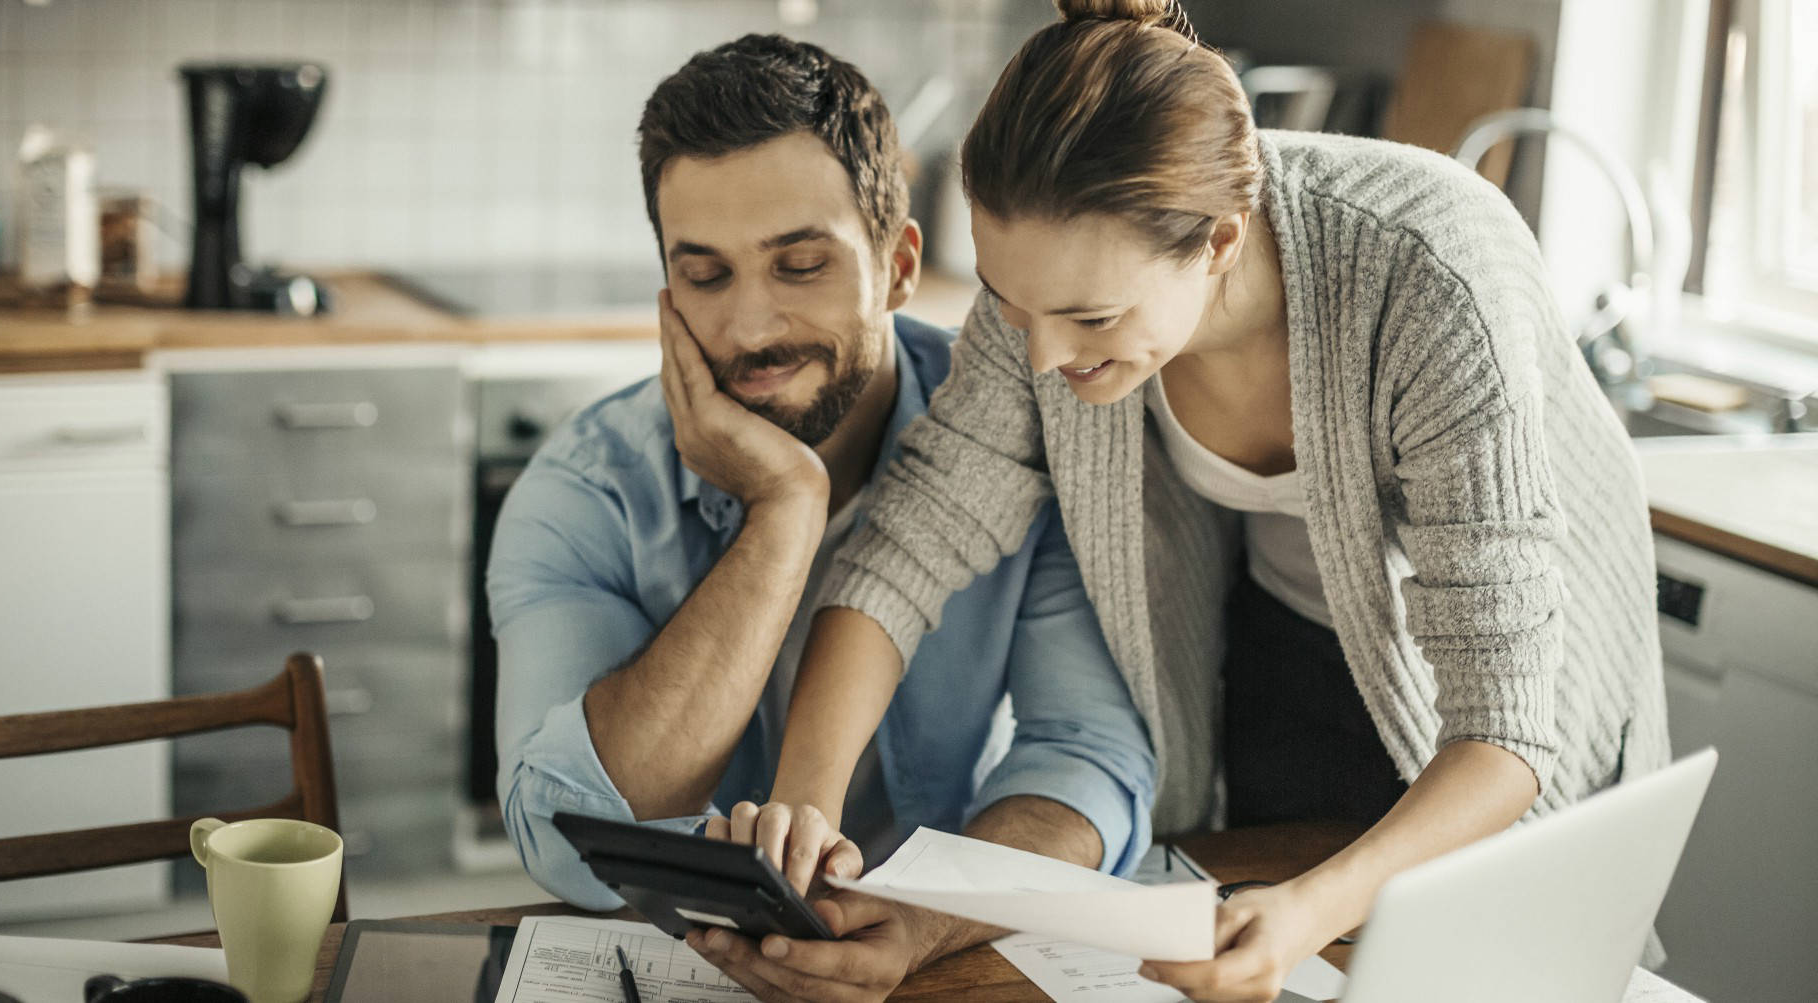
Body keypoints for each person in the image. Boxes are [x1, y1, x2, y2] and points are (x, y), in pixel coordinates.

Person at [729, 3, 1671, 1001]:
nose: (1044, 354)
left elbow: (1505, 725)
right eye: (1011, 303)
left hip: (1504, 706)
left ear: (1219, 242)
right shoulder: (1053, 286)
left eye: (1091, 317)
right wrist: (804, 812)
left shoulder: (1428, 276)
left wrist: (1309, 907)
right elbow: (909, 547)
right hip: (1288, 646)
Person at [487, 32, 1156, 1001]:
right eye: (707, 276)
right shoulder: (583, 492)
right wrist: (784, 512)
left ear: (896, 267)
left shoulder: (1026, 448)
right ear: (668, 292)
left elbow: (1089, 764)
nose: (752, 327)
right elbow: (563, 836)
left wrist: (923, 921)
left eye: (800, 265)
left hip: (941, 957)